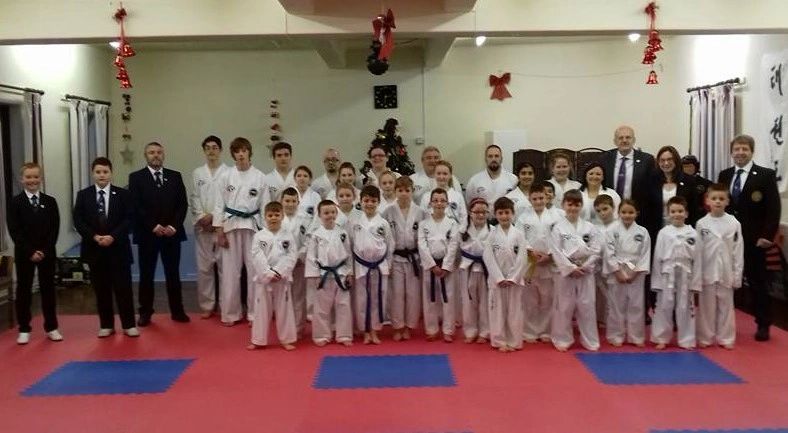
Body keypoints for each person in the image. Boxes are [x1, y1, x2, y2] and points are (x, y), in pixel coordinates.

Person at [717, 134, 780, 342]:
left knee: (757, 282)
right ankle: (724, 323)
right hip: (727, 239)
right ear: (731, 152)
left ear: (752, 151)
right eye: (737, 149)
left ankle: (763, 324)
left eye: (744, 149)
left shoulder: (765, 175)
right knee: (725, 281)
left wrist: (767, 236)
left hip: (754, 239)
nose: (740, 152)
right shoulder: (725, 175)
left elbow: (773, 209)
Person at [74, 157, 138, 338]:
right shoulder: (84, 195)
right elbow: (79, 220)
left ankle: (129, 325)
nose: (102, 175)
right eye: (98, 172)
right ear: (92, 174)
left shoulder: (123, 194)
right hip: (95, 249)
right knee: (101, 290)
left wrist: (113, 236)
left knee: (123, 289)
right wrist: (94, 236)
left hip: (118, 249)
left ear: (111, 173)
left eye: (105, 172)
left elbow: (129, 218)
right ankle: (106, 325)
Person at [128, 142, 190, 326]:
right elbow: (136, 206)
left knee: (173, 274)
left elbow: (182, 204)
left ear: (164, 155)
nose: (156, 155)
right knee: (146, 275)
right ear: (145, 155)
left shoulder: (175, 176)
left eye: (159, 152)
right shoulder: (136, 178)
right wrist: (153, 226)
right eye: (151, 152)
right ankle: (145, 312)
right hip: (148, 234)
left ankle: (177, 311)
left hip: (171, 234)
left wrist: (173, 226)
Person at [213, 137, 268, 326]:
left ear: (249, 152)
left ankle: (254, 314)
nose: (241, 154)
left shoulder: (260, 177)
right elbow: (219, 204)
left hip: (253, 227)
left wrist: (266, 234)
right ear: (233, 154)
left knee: (254, 271)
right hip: (231, 226)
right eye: (237, 151)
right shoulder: (225, 176)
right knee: (230, 273)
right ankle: (230, 314)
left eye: (244, 150)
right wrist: (219, 230)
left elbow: (265, 206)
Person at [7, 162, 62, 344]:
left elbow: (54, 229)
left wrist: (44, 250)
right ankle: (24, 328)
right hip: (25, 254)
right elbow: (15, 230)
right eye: (28, 177)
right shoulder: (15, 202)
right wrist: (31, 251)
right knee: (23, 291)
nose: (32, 180)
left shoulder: (50, 201)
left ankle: (52, 327)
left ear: (41, 178)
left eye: (36, 177)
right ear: (22, 179)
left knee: (48, 291)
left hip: (47, 253)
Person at [549, 189, 602, 352]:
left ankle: (590, 341)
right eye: (570, 204)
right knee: (564, 306)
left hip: (585, 272)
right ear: (563, 205)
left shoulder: (590, 227)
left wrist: (584, 266)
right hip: (566, 273)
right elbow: (556, 251)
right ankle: (562, 339)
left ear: (581, 206)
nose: (573, 208)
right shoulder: (558, 228)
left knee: (587, 306)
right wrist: (571, 268)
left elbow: (596, 250)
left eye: (577, 204)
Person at [650, 196, 702, 350]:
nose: (677, 214)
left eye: (680, 211)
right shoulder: (663, 233)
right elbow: (657, 258)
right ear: (668, 214)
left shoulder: (693, 234)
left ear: (686, 213)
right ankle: (661, 338)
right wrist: (656, 281)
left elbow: (698, 259)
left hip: (686, 273)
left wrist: (696, 283)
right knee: (663, 306)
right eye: (673, 211)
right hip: (667, 273)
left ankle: (686, 340)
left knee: (685, 307)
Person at [695, 184, 743, 349]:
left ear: (727, 201)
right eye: (714, 198)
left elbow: (738, 251)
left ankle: (726, 338)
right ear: (707, 200)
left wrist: (737, 275)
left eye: (721, 199)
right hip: (707, 271)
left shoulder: (734, 223)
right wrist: (697, 276)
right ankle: (705, 337)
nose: (717, 202)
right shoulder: (701, 223)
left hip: (726, 271)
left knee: (726, 307)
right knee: (706, 307)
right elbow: (698, 252)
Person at [247, 201, 297, 351]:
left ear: (282, 216)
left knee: (285, 309)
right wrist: (268, 273)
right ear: (265, 216)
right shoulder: (259, 236)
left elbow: (291, 256)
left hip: (282, 279)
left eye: (277, 214)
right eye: (270, 215)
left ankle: (286, 339)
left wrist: (279, 272)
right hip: (264, 279)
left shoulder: (288, 235)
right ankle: (258, 340)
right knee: (261, 310)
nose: (273, 218)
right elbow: (257, 256)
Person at [382, 176, 426, 341]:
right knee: (397, 293)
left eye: (407, 190)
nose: (404, 193)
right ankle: (398, 326)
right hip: (395, 257)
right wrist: (386, 261)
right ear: (395, 192)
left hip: (414, 257)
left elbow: (423, 237)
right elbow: (384, 238)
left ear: (412, 191)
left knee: (413, 294)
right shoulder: (388, 212)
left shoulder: (420, 212)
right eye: (400, 190)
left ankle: (409, 326)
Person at [518, 183, 563, 343]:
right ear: (529, 199)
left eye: (541, 198)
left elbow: (559, 238)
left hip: (548, 262)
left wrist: (549, 255)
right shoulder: (523, 218)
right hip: (530, 262)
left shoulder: (556, 218)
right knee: (529, 300)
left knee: (547, 299)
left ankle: (545, 331)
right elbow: (520, 238)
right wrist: (531, 252)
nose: (538, 201)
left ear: (547, 198)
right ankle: (529, 331)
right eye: (535, 199)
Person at [602, 200, 650, 347]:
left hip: (636, 272)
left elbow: (645, 254)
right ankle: (616, 336)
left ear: (637, 213)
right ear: (618, 213)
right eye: (624, 212)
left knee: (636, 305)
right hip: (617, 270)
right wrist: (617, 272)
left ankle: (636, 337)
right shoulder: (611, 231)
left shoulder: (642, 232)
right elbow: (609, 253)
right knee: (616, 305)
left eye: (631, 212)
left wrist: (635, 273)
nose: (627, 215)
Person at [190, 135, 229, 319]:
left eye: (215, 147)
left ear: (220, 150)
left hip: (222, 228)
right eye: (208, 148)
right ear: (204, 151)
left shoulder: (228, 173)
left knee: (225, 270)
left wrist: (215, 218)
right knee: (204, 269)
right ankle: (207, 305)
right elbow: (194, 197)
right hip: (203, 228)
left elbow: (228, 200)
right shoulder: (198, 173)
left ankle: (225, 306)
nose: (211, 151)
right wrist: (201, 218)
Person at [306, 200, 354, 346]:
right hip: (323, 275)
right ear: (319, 215)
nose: (330, 215)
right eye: (326, 213)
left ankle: (344, 335)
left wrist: (350, 272)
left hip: (341, 273)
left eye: (333, 212)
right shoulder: (316, 235)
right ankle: (321, 336)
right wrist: (314, 275)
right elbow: (311, 257)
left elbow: (348, 254)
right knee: (321, 307)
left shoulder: (342, 233)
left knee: (344, 305)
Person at [483, 197, 528, 352]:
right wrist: (499, 278)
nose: (504, 216)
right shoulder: (491, 234)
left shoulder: (519, 234)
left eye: (507, 212)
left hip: (514, 281)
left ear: (513, 214)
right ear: (495, 215)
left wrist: (513, 278)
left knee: (515, 311)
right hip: (497, 281)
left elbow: (522, 258)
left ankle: (514, 341)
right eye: (500, 213)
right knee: (497, 311)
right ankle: (499, 340)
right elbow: (488, 257)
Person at [350, 185, 394, 344]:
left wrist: (389, 264)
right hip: (361, 265)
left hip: (379, 265)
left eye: (373, 201)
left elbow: (390, 245)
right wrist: (350, 269)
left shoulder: (383, 223)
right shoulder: (355, 222)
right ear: (360, 201)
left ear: (378, 202)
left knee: (378, 297)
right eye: (366, 200)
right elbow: (350, 245)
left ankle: (375, 330)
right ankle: (365, 331)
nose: (369, 204)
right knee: (362, 299)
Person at [418, 188, 460, 342]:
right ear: (430, 203)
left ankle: (448, 330)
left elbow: (454, 245)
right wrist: (431, 265)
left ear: (447, 203)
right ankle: (432, 329)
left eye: (442, 200)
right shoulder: (423, 224)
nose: (439, 203)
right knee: (430, 298)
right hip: (430, 266)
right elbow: (422, 245)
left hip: (446, 266)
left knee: (448, 298)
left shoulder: (452, 223)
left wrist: (446, 266)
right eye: (435, 200)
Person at [599, 125, 655, 226]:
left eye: (628, 137)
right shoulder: (605, 159)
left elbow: (651, 188)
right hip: (610, 215)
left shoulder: (647, 160)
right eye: (620, 138)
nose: (624, 140)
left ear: (634, 140)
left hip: (637, 216)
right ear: (615, 141)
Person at [458, 198, 491, 344]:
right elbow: (455, 251)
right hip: (467, 268)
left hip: (486, 269)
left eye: (484, 212)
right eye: (477, 212)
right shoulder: (462, 230)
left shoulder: (493, 230)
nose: (480, 215)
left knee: (485, 301)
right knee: (468, 301)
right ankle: (470, 331)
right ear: (470, 213)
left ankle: (485, 332)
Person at [280, 187, 310, 337]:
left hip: (299, 263)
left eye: (293, 201)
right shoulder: (276, 218)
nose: (290, 204)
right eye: (287, 201)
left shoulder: (305, 219)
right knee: (283, 297)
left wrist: (299, 257)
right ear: (281, 201)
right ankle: (284, 327)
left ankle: (298, 328)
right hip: (281, 263)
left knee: (298, 295)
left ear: (298, 202)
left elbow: (308, 240)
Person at [465, 144, 518, 221]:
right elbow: (469, 204)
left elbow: (516, 203)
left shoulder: (513, 179)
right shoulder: (474, 181)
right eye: (490, 156)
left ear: (501, 159)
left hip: (505, 221)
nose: (493, 159)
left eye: (496, 156)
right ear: (485, 159)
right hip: (483, 221)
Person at [419, 160, 466, 224]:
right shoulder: (426, 196)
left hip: (454, 230)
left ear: (450, 175)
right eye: (438, 173)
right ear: (434, 175)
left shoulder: (458, 196)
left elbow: (464, 219)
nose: (441, 177)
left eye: (445, 174)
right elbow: (421, 219)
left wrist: (458, 230)